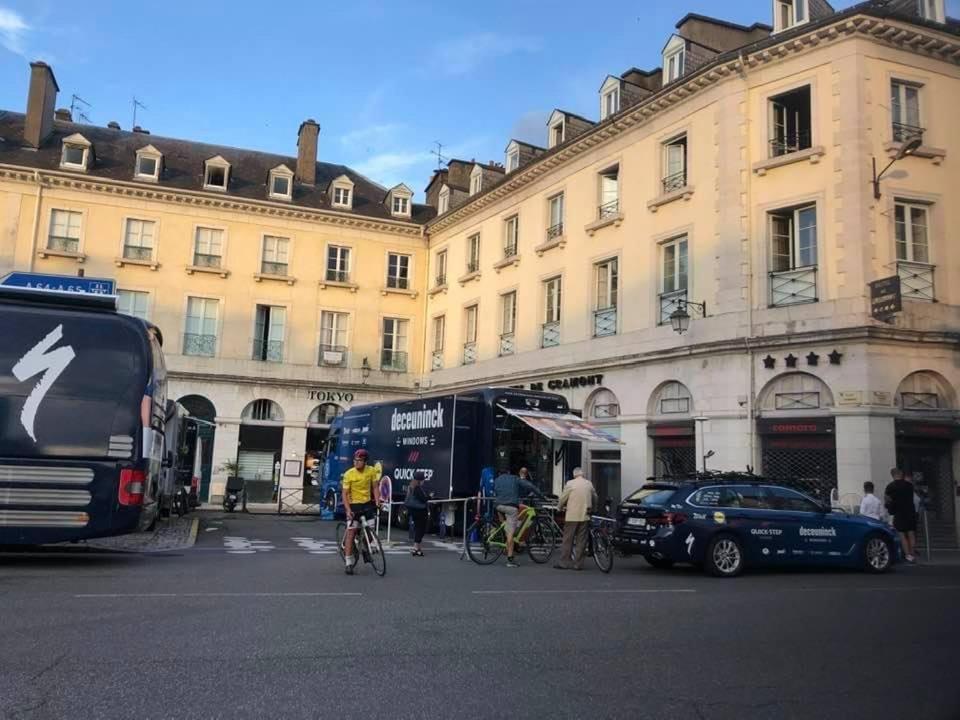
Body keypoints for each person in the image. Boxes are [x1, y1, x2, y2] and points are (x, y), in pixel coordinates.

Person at [341, 449, 382, 575]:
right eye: (355, 460)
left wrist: (377, 501)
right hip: (354, 505)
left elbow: (375, 487)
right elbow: (345, 494)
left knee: (370, 529)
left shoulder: (371, 471)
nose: (356, 462)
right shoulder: (349, 474)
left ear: (365, 462)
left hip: (367, 503)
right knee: (351, 532)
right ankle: (348, 562)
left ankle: (365, 549)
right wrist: (348, 510)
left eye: (359, 461)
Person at [494, 468, 543, 568]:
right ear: (509, 473)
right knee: (511, 533)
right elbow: (529, 486)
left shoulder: (497, 480)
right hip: (511, 507)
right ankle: (510, 559)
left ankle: (506, 542)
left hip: (498, 506)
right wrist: (541, 496)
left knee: (506, 527)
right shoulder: (515, 479)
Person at [555, 468, 598, 571]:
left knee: (567, 540)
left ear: (574, 475)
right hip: (585, 515)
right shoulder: (589, 483)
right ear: (582, 474)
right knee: (581, 540)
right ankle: (578, 564)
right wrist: (595, 508)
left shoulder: (570, 483)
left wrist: (559, 507)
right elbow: (595, 496)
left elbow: (563, 498)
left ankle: (564, 563)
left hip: (572, 516)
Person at [885, 468, 918, 563]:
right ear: (901, 474)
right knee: (911, 533)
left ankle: (908, 555)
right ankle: (913, 553)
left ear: (892, 475)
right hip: (910, 512)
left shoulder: (890, 486)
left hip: (899, 513)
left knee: (902, 534)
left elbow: (888, 500)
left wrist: (890, 508)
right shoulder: (909, 485)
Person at [405, 471, 430, 557]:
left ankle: (418, 548)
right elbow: (423, 499)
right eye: (423, 479)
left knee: (417, 528)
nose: (424, 481)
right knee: (421, 529)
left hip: (413, 510)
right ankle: (416, 547)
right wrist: (430, 496)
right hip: (420, 510)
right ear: (420, 480)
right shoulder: (417, 488)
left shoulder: (411, 486)